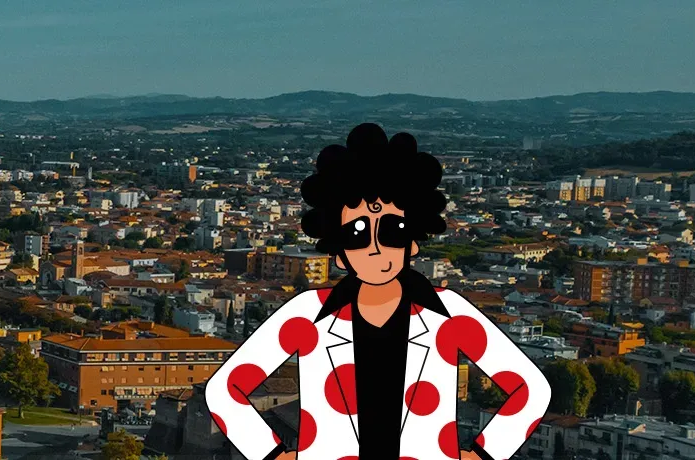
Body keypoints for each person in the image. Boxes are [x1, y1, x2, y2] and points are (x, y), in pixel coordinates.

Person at [204, 123, 548, 460]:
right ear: (339, 251)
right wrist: (273, 454)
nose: (375, 247)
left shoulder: (449, 314)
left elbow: (531, 390)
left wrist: (483, 454)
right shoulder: (307, 315)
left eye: (392, 231)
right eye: (357, 234)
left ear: (412, 242)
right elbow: (224, 392)